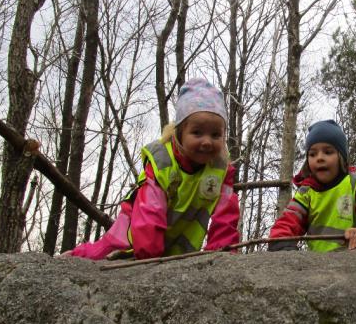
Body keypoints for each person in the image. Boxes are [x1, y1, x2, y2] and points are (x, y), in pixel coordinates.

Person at [63, 78, 240, 260]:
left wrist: (221, 255)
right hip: (134, 234)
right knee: (103, 251)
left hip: (179, 247)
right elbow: (150, 210)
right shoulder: (162, 161)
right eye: (197, 133)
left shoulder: (220, 170)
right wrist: (150, 256)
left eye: (216, 134)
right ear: (179, 133)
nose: (207, 142)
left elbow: (225, 217)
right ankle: (75, 255)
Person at [268, 120, 356, 252]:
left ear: (341, 157)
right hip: (318, 266)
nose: (319, 158)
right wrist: (280, 242)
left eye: (328, 152)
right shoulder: (306, 193)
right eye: (312, 154)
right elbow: (288, 222)